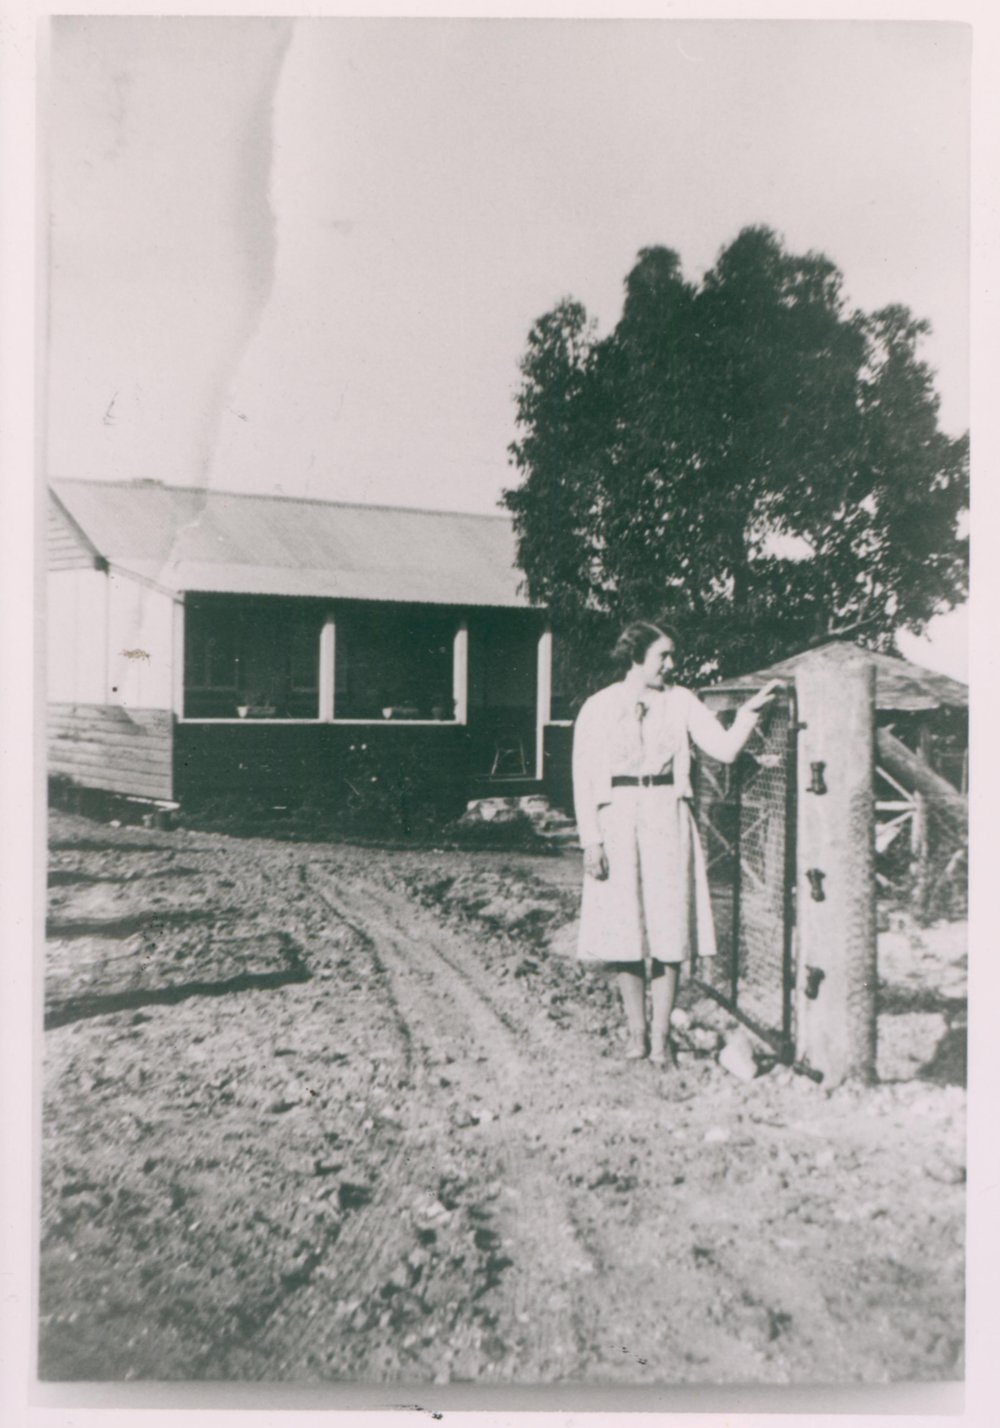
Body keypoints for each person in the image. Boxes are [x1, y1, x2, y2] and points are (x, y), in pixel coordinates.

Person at [572, 620, 780, 1067]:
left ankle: (663, 1038)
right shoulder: (599, 706)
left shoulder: (682, 701)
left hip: (667, 813)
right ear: (635, 656)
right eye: (662, 656)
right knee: (624, 930)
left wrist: (749, 715)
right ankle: (637, 1035)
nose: (671, 663)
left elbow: (723, 749)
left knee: (669, 928)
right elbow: (583, 777)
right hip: (617, 818)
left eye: (672, 656)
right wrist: (591, 840)